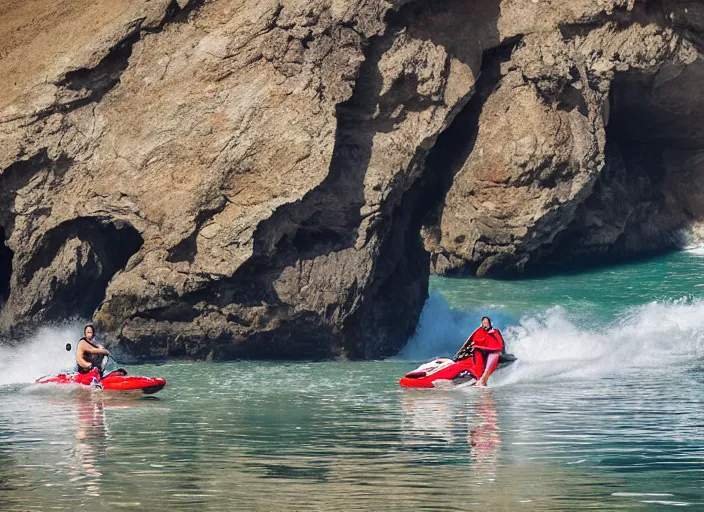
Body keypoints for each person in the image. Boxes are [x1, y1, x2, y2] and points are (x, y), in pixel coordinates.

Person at [455, 317, 505, 387]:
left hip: (493, 353)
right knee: (474, 352)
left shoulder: (495, 332)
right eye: (484, 322)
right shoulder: (479, 331)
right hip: (481, 352)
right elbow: (469, 343)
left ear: (490, 323)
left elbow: (500, 346)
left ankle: (483, 379)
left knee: (487, 353)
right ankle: (477, 378)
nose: (485, 324)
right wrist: (461, 352)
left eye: (487, 322)